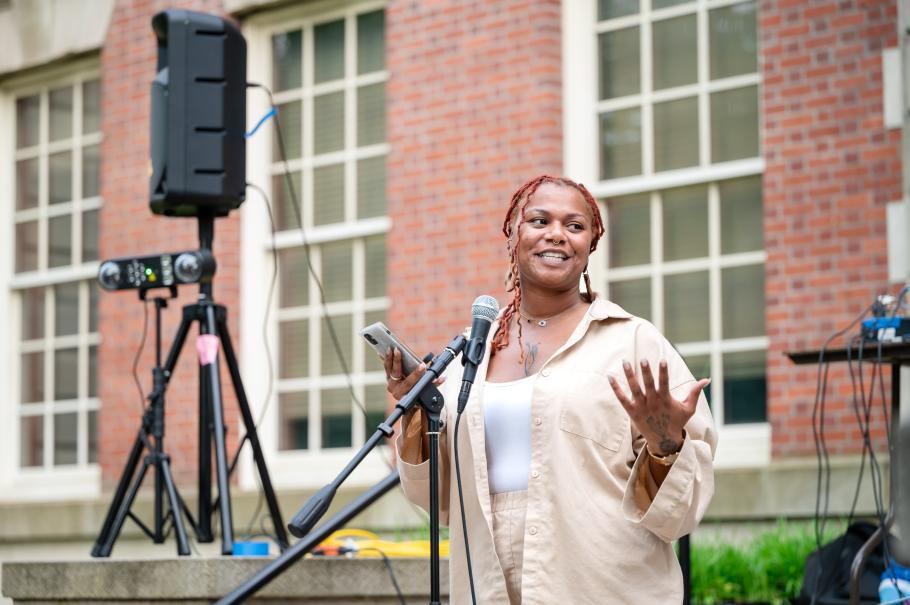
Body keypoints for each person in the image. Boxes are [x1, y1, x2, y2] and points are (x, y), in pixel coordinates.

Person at [385, 175, 717, 605]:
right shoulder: (473, 352)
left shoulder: (633, 341)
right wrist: (418, 413)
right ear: (513, 235)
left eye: (574, 226)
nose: (556, 234)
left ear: (590, 244)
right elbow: (439, 501)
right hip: (487, 584)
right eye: (539, 220)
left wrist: (666, 444)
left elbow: (681, 514)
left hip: (600, 583)